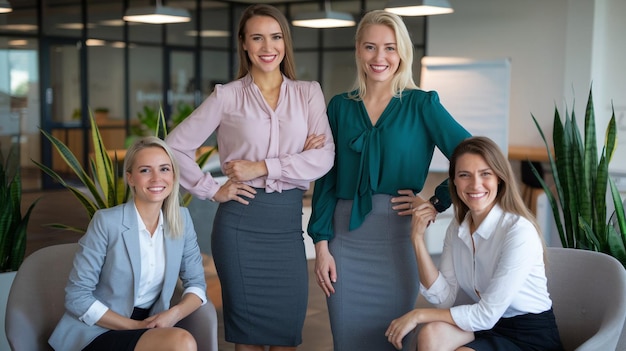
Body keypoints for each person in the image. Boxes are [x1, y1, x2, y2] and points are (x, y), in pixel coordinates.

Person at [165, 4, 335, 350]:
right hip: (240, 226)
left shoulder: (308, 94)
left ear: (285, 43)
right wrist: (211, 189)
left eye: (275, 37)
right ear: (244, 44)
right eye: (257, 38)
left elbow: (324, 157)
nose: (267, 47)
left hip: (286, 231)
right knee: (248, 341)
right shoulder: (226, 96)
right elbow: (173, 148)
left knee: (287, 337)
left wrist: (262, 167)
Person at [307, 9, 471, 351]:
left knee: (393, 339)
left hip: (398, 240)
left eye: (390, 48)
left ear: (403, 53)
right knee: (346, 340)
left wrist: (436, 202)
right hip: (345, 241)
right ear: (357, 50)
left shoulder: (422, 104)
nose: (379, 57)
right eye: (370, 47)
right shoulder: (339, 107)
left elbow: (473, 156)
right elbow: (327, 180)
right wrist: (321, 246)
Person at [385, 136, 564, 351]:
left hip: (530, 335)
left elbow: (486, 314)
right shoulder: (458, 227)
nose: (475, 184)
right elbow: (444, 298)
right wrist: (416, 238)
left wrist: (418, 314)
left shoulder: (518, 231)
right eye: (464, 175)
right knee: (431, 335)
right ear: (454, 181)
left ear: (499, 178)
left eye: (485, 174)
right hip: (486, 325)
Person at [48, 136, 208, 351]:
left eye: (164, 169)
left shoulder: (182, 220)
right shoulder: (107, 222)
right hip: (98, 329)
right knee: (182, 343)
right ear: (130, 178)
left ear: (173, 175)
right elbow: (77, 297)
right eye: (145, 170)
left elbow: (197, 285)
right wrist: (136, 326)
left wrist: (174, 314)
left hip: (151, 325)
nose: (156, 178)